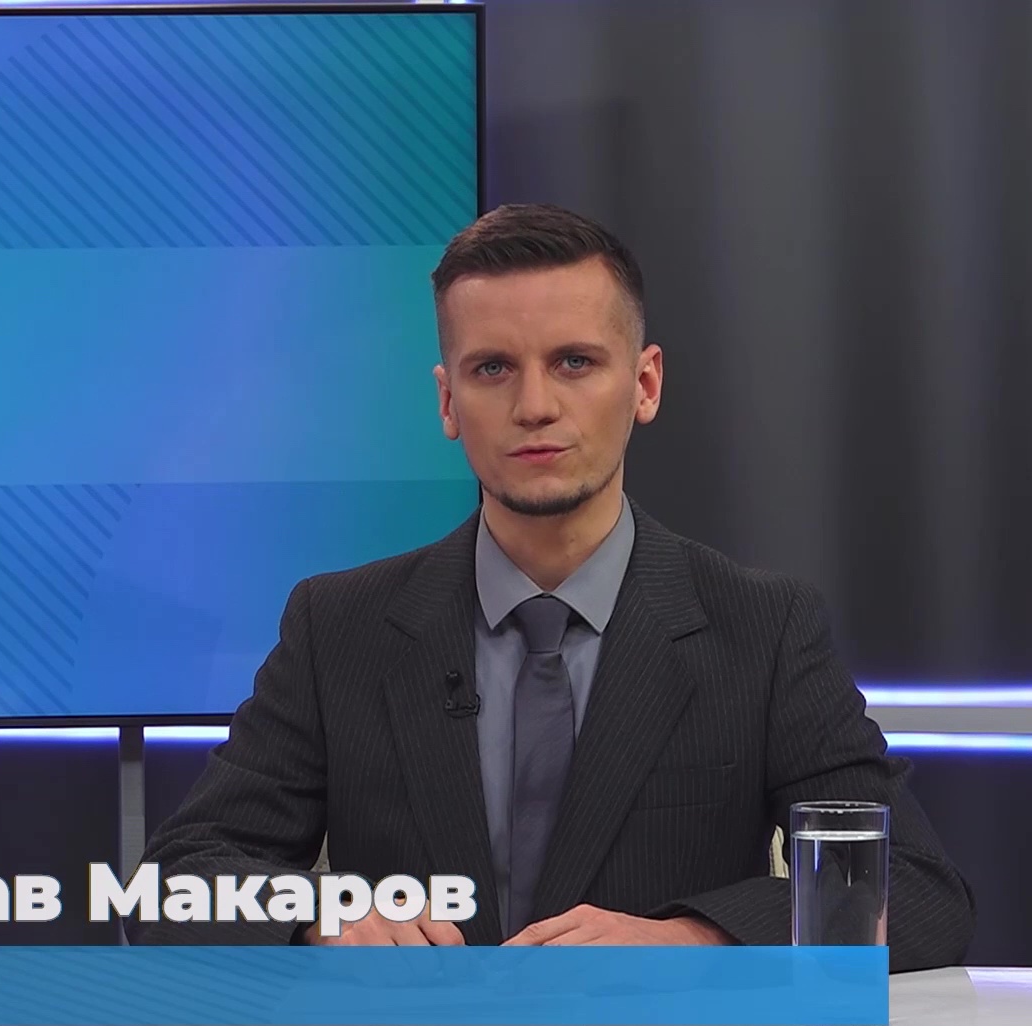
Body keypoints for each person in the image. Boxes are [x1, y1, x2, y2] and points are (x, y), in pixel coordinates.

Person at [132, 204, 975, 970]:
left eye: (574, 362)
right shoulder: (339, 626)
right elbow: (174, 884)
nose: (534, 405)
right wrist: (324, 915)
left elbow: (919, 892)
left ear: (644, 384)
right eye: (493, 368)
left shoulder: (761, 627)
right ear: (447, 401)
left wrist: (695, 935)